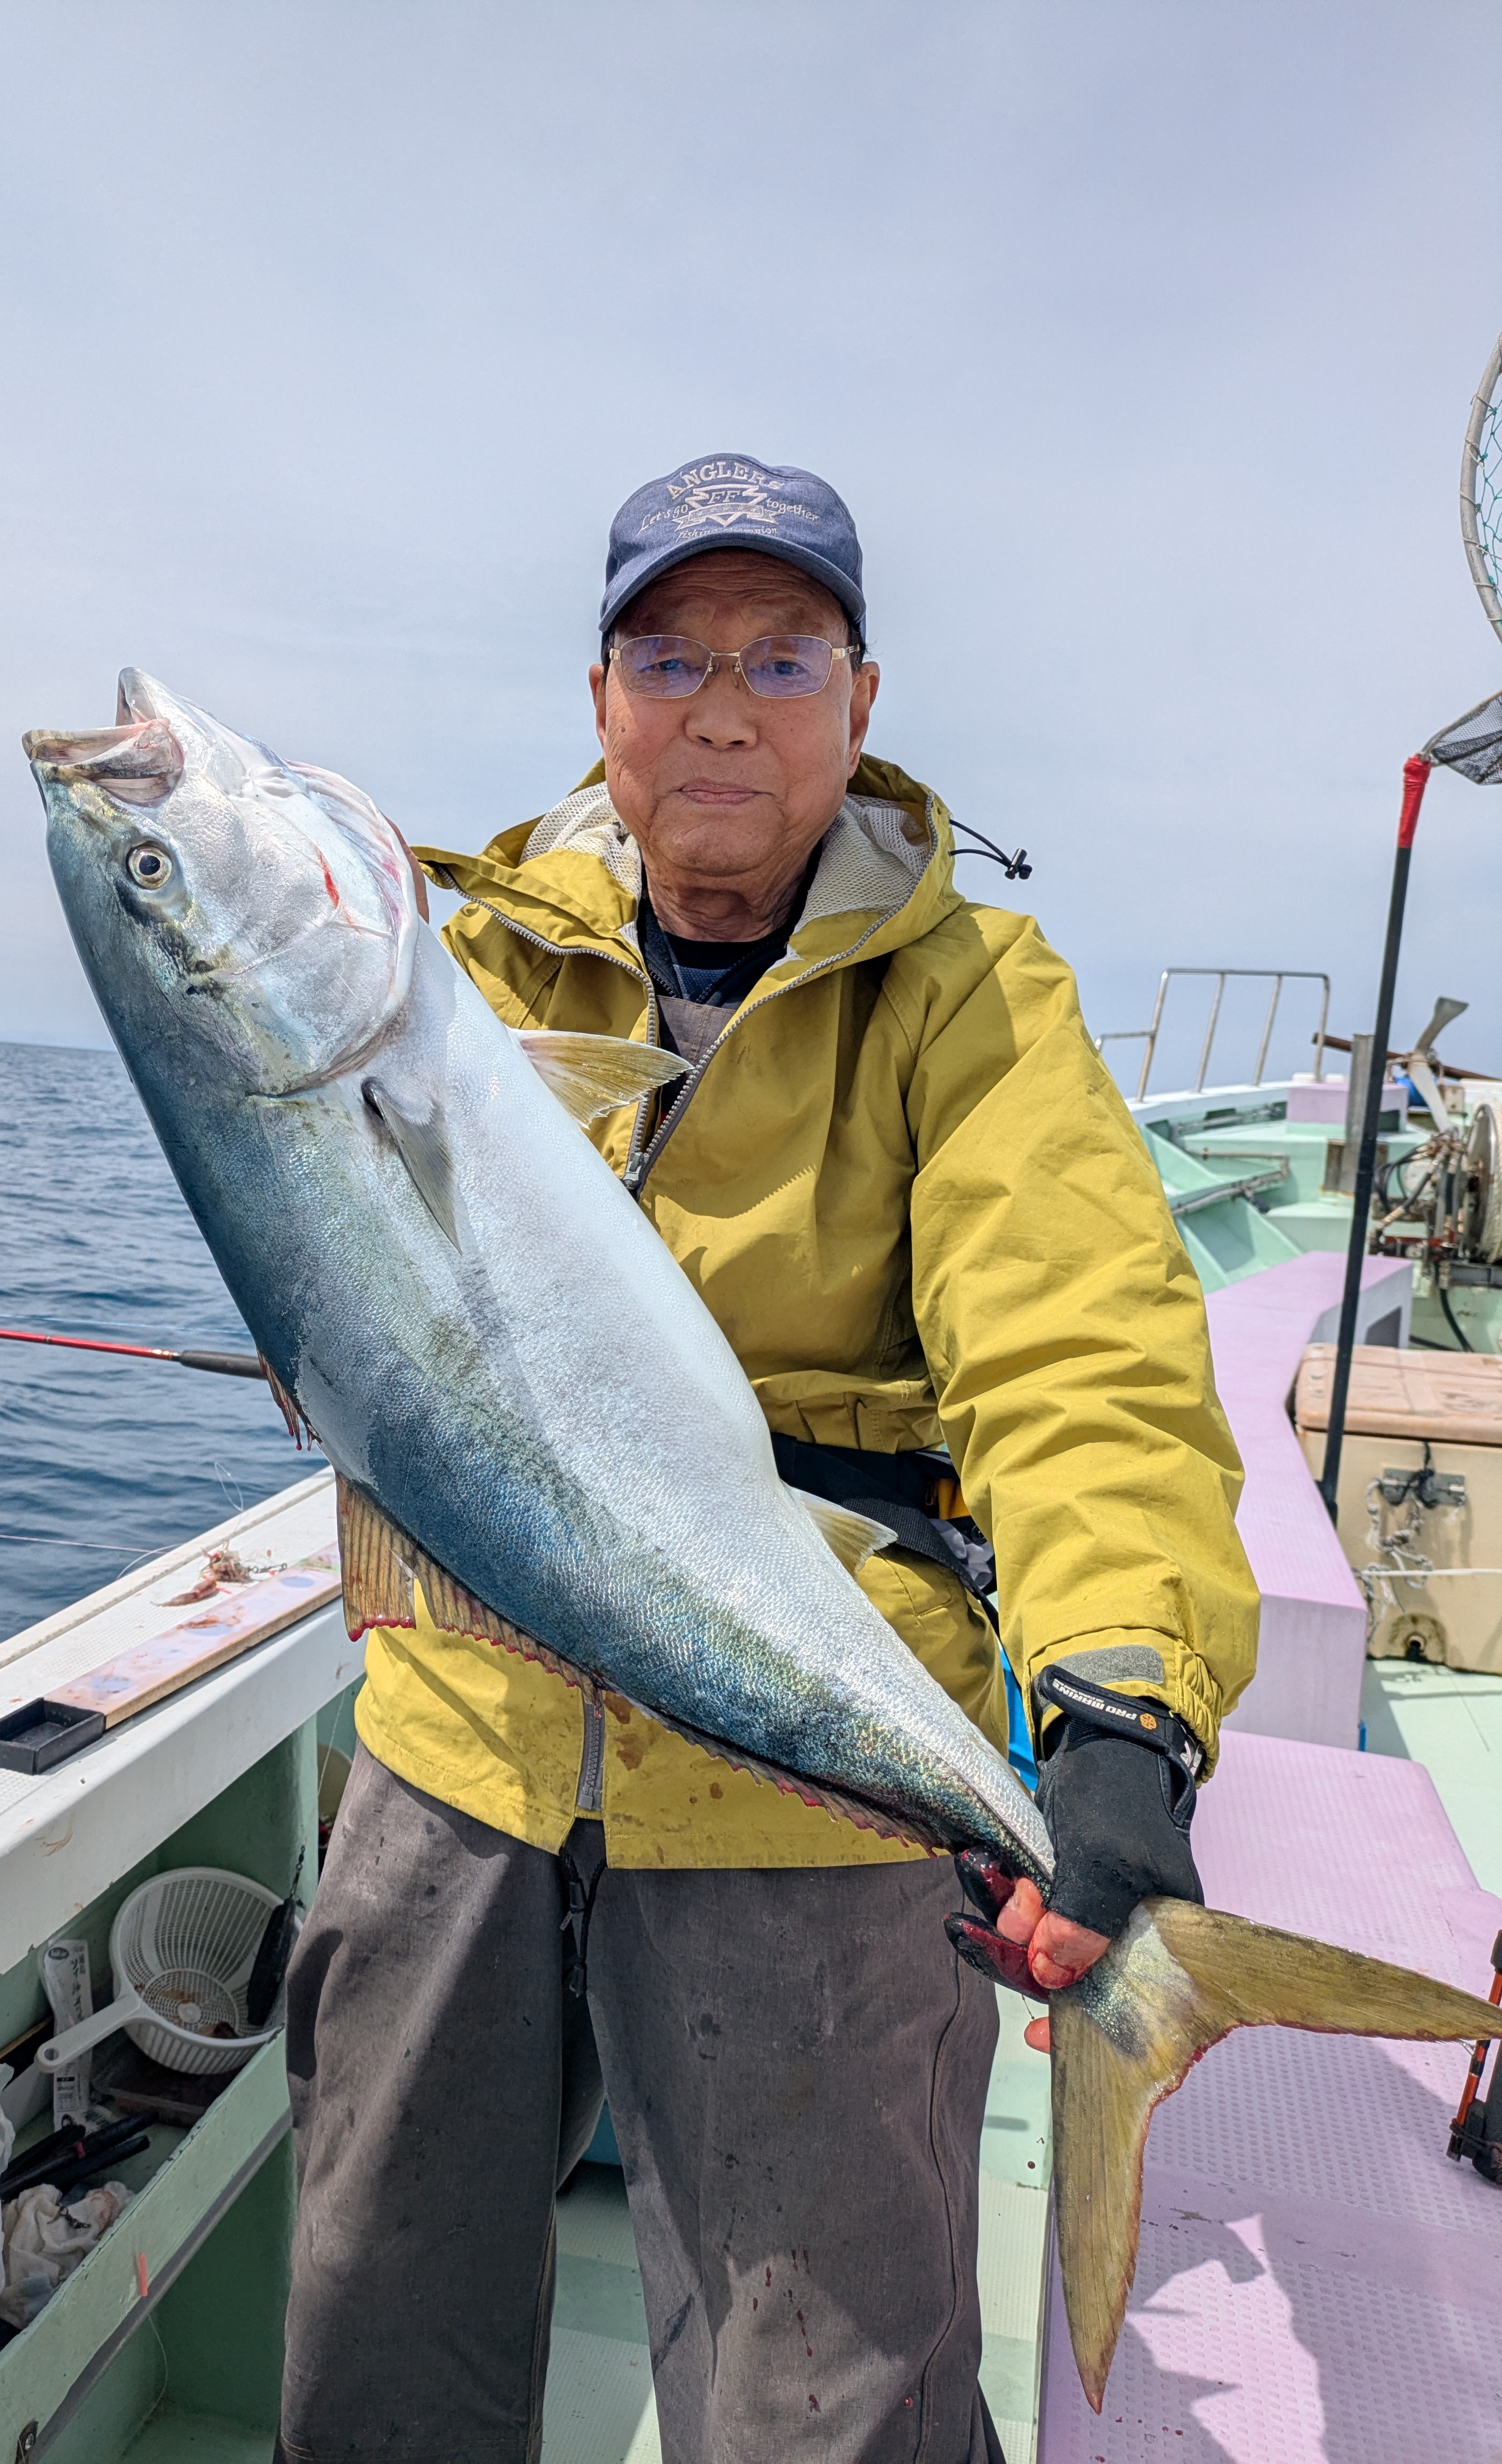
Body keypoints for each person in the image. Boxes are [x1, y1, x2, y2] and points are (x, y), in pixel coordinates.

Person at [276, 454, 1258, 2464]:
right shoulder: (450, 976)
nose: (723, 703)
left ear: (863, 703)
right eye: (670, 652)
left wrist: (1122, 1707)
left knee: (819, 2402)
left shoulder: (973, 1002)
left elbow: (1083, 1355)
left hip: (804, 1800)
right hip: (457, 1741)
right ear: (601, 696)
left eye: (781, 654)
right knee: (374, 2325)